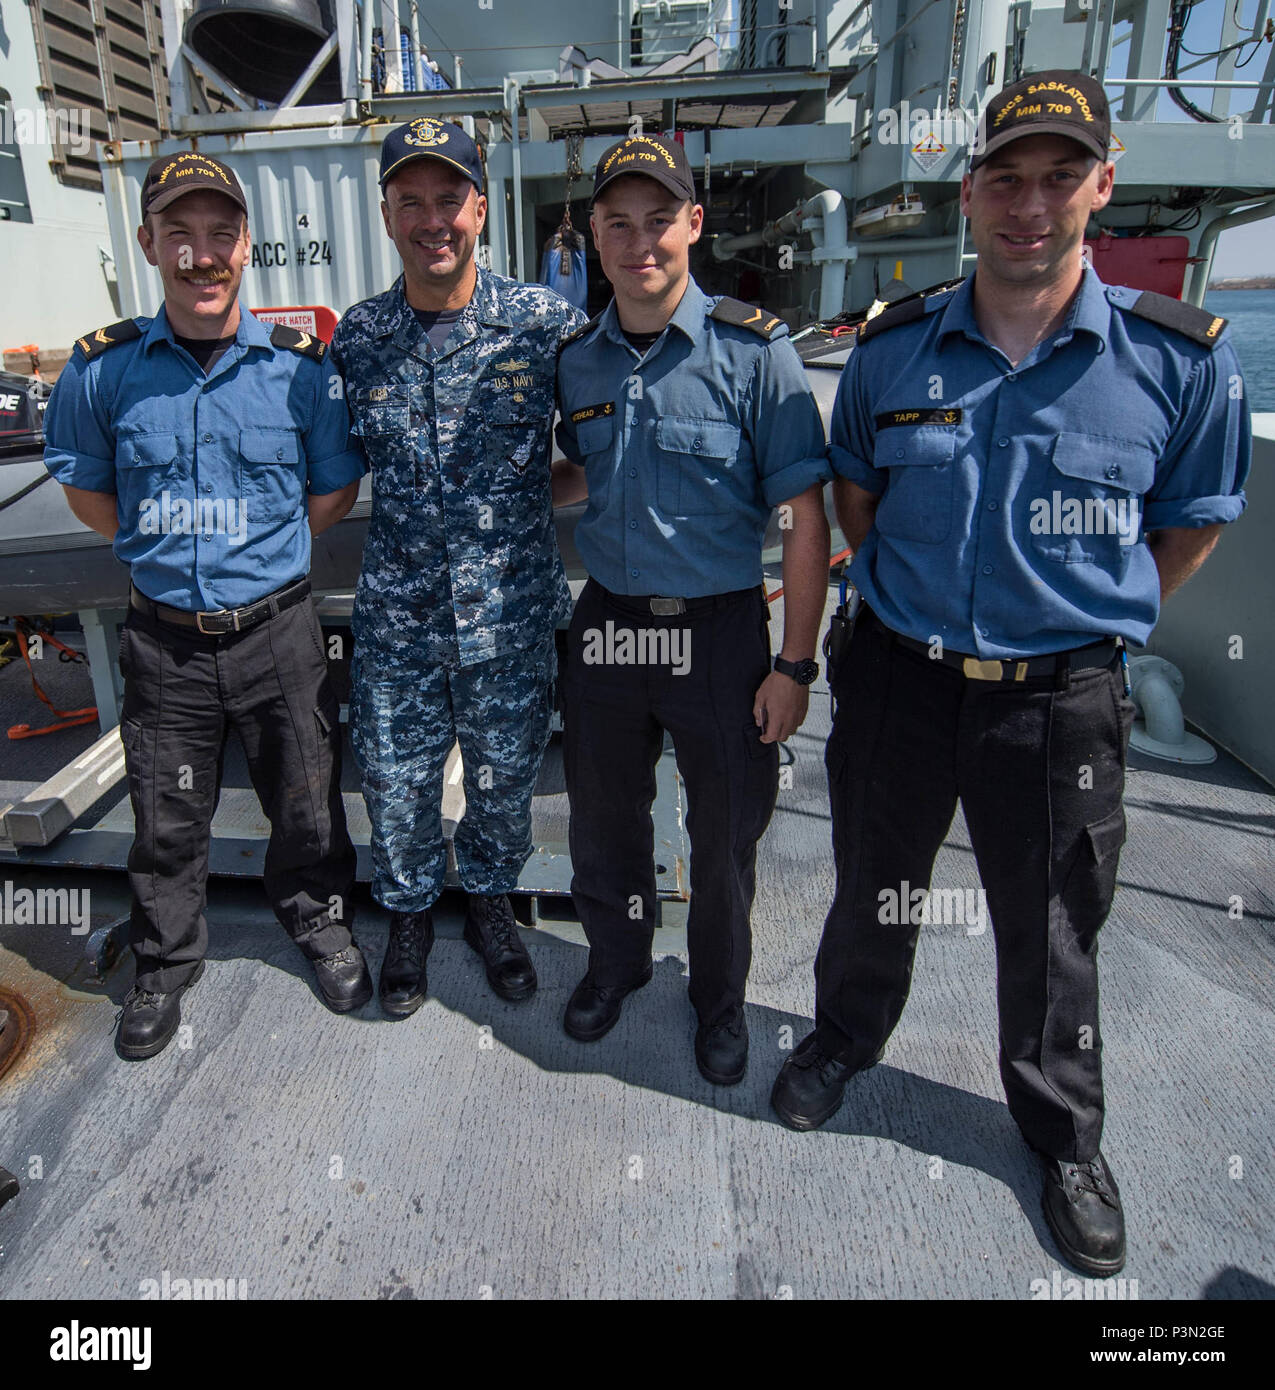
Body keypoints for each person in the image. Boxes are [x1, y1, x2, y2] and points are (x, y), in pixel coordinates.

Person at [770, 72, 1251, 1274]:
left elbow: (1187, 525)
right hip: (902, 675)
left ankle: (1061, 1135)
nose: (1029, 205)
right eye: (1007, 178)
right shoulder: (893, 349)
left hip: (1059, 698)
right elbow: (859, 505)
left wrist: (1087, 617)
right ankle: (843, 1039)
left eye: (1057, 177)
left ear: (1103, 181)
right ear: (972, 188)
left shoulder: (1177, 365)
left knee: (1053, 930)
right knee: (871, 882)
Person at [43, 152, 371, 1059]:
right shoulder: (102, 372)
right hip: (166, 643)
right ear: (148, 243)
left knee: (306, 801)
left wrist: (259, 562)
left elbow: (329, 491)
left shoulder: (303, 372)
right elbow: (93, 495)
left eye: (219, 234)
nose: (200, 255)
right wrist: (167, 560)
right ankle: (164, 961)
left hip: (279, 633)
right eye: (178, 235)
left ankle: (321, 926)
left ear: (246, 247)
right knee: (167, 812)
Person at [554, 135, 831, 1085]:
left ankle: (719, 1000)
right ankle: (617, 964)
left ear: (694, 226)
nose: (641, 244)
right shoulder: (577, 363)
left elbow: (802, 518)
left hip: (717, 634)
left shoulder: (758, 354)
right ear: (594, 233)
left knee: (723, 838)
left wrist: (793, 665)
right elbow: (575, 472)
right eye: (618, 223)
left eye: (659, 221)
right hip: (607, 624)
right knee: (606, 821)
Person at [331, 120, 587, 1016]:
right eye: (411, 201)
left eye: (449, 199)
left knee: (504, 782)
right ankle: (405, 915)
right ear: (388, 213)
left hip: (508, 621)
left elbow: (597, 448)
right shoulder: (358, 336)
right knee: (396, 788)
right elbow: (332, 468)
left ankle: (487, 904)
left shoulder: (543, 326)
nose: (431, 219)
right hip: (398, 624)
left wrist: (520, 502)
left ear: (480, 206)